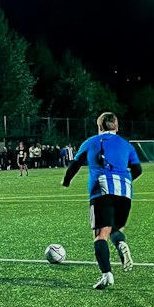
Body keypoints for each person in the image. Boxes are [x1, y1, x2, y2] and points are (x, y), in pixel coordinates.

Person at [62, 111, 141, 289]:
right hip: (125, 191)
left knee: (100, 236)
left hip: (101, 190)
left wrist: (66, 181)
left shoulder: (91, 142)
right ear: (116, 126)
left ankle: (106, 275)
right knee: (114, 229)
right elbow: (137, 169)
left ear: (99, 127)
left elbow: (75, 163)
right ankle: (121, 243)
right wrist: (125, 180)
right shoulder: (126, 144)